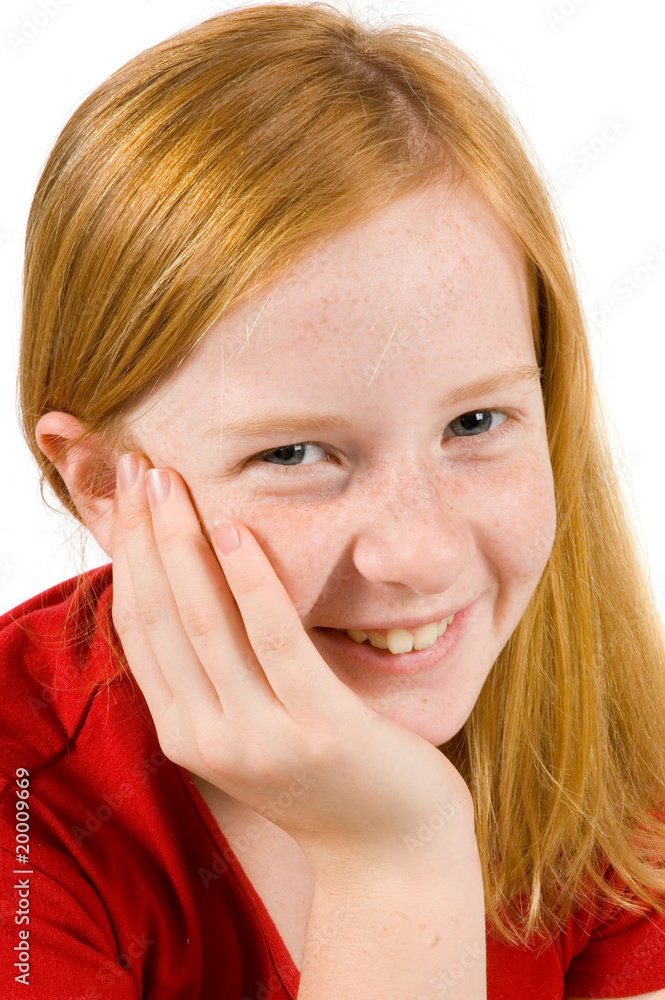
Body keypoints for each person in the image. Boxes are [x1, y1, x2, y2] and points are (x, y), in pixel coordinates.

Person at [2, 2, 665, 997]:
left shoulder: (595, 731)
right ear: (100, 480)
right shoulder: (30, 830)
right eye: (295, 452)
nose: (420, 553)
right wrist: (393, 861)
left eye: (474, 423)